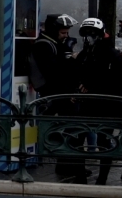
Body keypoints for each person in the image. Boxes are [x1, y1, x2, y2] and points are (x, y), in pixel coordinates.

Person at [29, 13, 83, 183]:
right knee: (74, 129)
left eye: (67, 33)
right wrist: (69, 93)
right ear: (54, 30)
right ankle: (69, 164)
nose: (66, 36)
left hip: (63, 93)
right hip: (57, 93)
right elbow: (55, 74)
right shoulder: (44, 46)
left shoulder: (54, 43)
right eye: (63, 33)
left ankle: (67, 163)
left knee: (72, 129)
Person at [74, 18, 122, 185]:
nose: (89, 37)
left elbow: (118, 80)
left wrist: (92, 85)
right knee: (77, 139)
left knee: (104, 142)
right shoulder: (86, 52)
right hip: (87, 105)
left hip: (107, 106)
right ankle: (80, 176)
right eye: (86, 34)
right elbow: (76, 72)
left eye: (93, 34)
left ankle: (102, 179)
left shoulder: (112, 54)